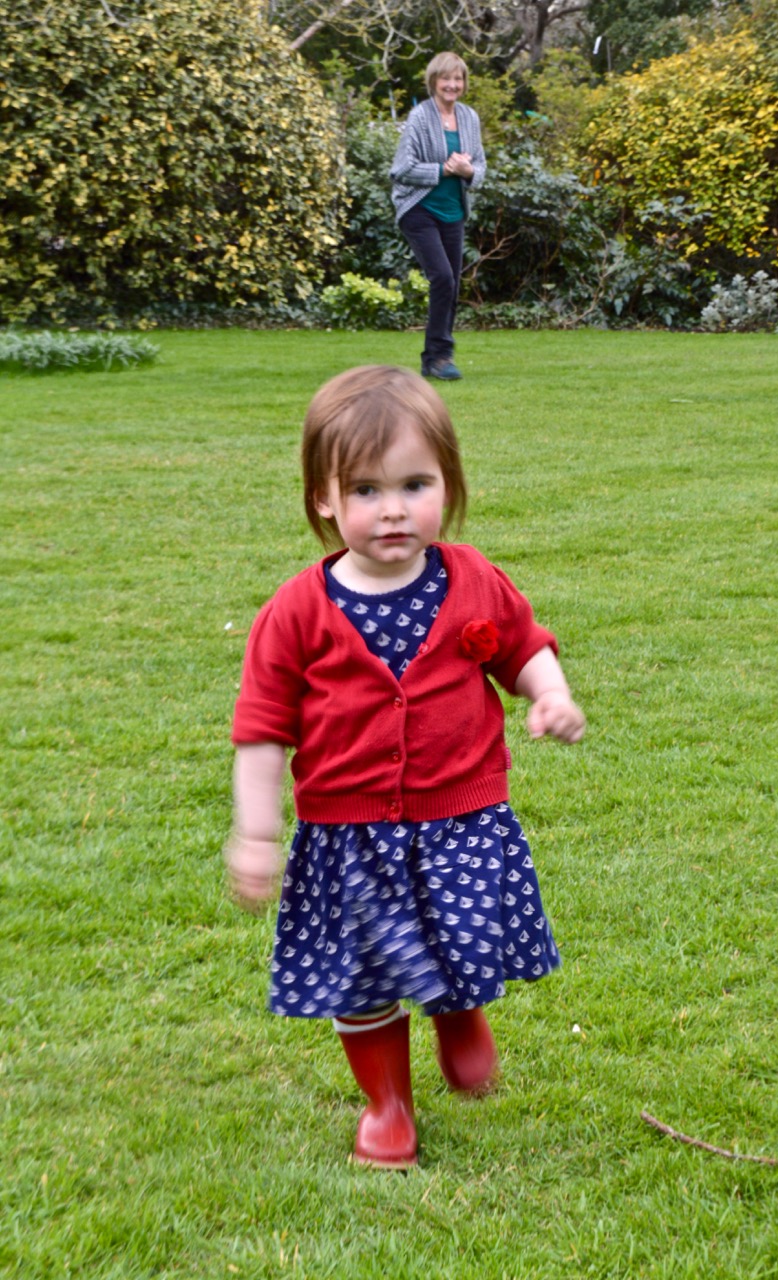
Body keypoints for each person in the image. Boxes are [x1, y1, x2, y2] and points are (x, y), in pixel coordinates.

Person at [226, 365, 586, 1169]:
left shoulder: (471, 578)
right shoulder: (296, 612)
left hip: (460, 819)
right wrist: (256, 834)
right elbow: (261, 730)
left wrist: (551, 693)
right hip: (347, 835)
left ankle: (458, 1013)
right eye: (366, 490)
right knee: (362, 978)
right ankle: (387, 1104)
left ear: (447, 485)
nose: (393, 509)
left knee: (460, 937)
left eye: (415, 485)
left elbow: (522, 646)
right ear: (323, 499)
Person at [390, 52, 486, 382]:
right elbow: (401, 168)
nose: (452, 85)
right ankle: (439, 357)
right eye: (446, 78)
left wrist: (468, 171)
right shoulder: (420, 116)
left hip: (453, 210)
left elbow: (480, 166)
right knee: (443, 277)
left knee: (452, 284)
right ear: (434, 81)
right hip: (419, 208)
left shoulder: (469, 117)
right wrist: (445, 169)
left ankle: (436, 359)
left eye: (458, 79)